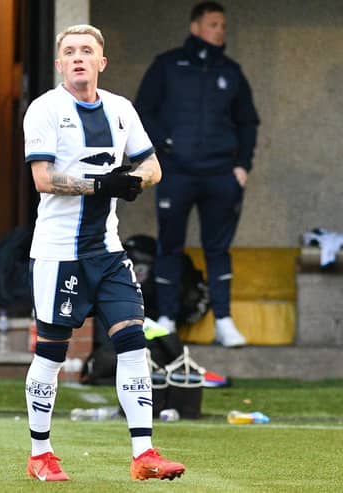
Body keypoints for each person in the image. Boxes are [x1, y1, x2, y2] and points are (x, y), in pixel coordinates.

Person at [23, 24, 185, 482]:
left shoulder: (120, 109)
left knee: (133, 341)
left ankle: (144, 453)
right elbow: (43, 179)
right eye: (69, 51)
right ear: (59, 64)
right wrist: (100, 184)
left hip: (109, 252)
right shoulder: (45, 109)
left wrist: (135, 181)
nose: (78, 57)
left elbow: (153, 164)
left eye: (87, 51)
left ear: (101, 62)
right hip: (58, 254)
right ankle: (40, 453)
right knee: (52, 357)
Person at [135, 1, 259, 347]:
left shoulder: (231, 72)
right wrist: (165, 145)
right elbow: (142, 110)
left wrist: (242, 166)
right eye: (214, 24)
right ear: (196, 27)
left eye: (223, 25)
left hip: (221, 173)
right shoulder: (168, 65)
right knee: (169, 246)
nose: (220, 30)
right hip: (176, 171)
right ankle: (166, 318)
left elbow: (248, 121)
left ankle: (223, 321)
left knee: (218, 248)